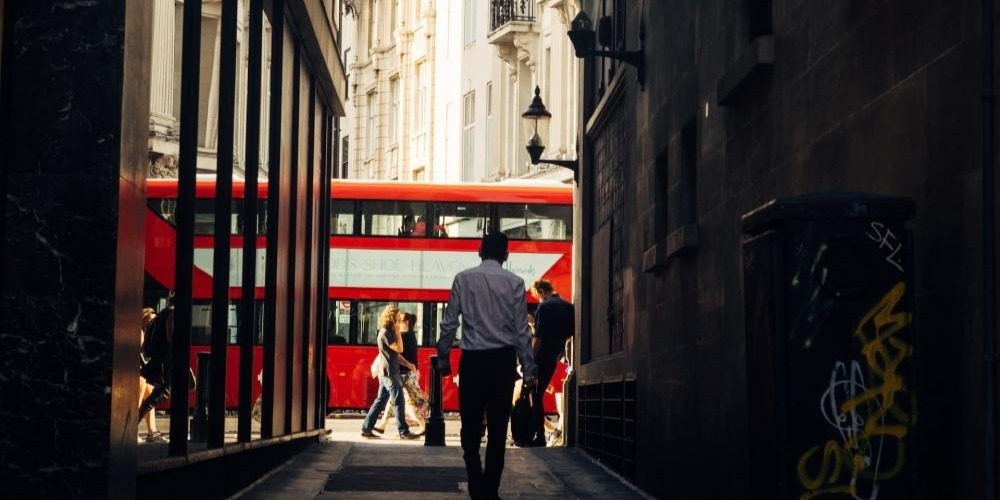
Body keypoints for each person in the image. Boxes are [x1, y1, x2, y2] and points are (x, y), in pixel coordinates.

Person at [436, 232, 536, 500]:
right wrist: (528, 370)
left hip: (473, 361)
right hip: (503, 362)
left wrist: (444, 358)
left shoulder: (463, 279)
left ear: (480, 251)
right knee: (498, 428)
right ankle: (490, 489)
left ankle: (474, 478)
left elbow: (449, 324)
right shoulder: (515, 283)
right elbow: (521, 331)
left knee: (470, 426)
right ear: (506, 254)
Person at [361, 305, 421, 440]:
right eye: (397, 319)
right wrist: (398, 331)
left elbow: (396, 355)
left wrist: (408, 364)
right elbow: (399, 348)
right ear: (391, 319)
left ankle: (366, 428)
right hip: (389, 373)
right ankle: (404, 431)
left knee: (380, 402)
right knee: (399, 401)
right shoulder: (385, 334)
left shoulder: (388, 333)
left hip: (388, 373)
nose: (399, 321)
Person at [528, 278, 575, 447]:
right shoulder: (568, 307)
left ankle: (539, 435)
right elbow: (569, 333)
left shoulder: (543, 307)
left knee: (536, 395)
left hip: (541, 357)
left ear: (540, 292)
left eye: (537, 296)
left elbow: (539, 338)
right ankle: (539, 434)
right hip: (554, 355)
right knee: (538, 393)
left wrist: (530, 360)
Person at [375, 311, 428, 433]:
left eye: (400, 320)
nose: (397, 323)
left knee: (411, 400)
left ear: (406, 323)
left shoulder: (404, 336)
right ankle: (383, 424)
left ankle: (423, 425)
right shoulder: (410, 335)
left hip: (406, 374)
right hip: (405, 373)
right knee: (394, 399)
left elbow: (397, 352)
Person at [139, 299, 176, 426]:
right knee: (164, 391)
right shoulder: (172, 312)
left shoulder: (161, 314)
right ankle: (135, 420)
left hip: (159, 358)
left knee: (161, 391)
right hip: (167, 358)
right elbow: (171, 336)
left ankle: (144, 426)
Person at [139, 307, 166, 443]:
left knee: (149, 399)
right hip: (138, 372)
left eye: (154, 321)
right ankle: (133, 431)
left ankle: (152, 432)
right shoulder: (140, 333)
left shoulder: (149, 335)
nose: (152, 323)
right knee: (138, 402)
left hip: (142, 371)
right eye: (150, 320)